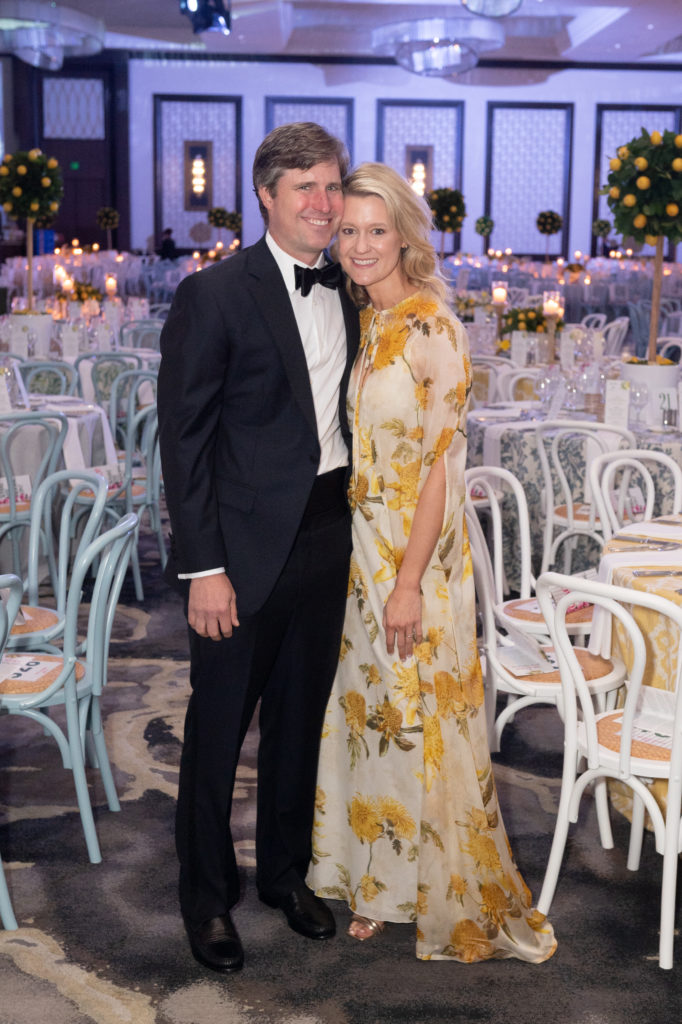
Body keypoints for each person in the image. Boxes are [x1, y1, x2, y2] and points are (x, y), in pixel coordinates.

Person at [307, 163, 557, 963]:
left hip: (416, 560)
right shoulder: (371, 320)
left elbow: (440, 473)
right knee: (372, 718)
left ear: (408, 237)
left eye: (376, 231)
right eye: (347, 230)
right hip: (364, 550)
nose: (358, 245)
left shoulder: (431, 329)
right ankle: (377, 877)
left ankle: (425, 885)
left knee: (417, 719)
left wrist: (410, 583)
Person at [157, 122, 359, 973]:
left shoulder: (352, 282)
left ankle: (283, 873)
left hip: (330, 532)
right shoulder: (216, 294)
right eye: (303, 186)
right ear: (267, 197)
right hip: (238, 554)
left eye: (332, 185)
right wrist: (203, 566)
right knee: (217, 734)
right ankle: (207, 898)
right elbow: (186, 440)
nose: (323, 202)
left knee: (299, 726)